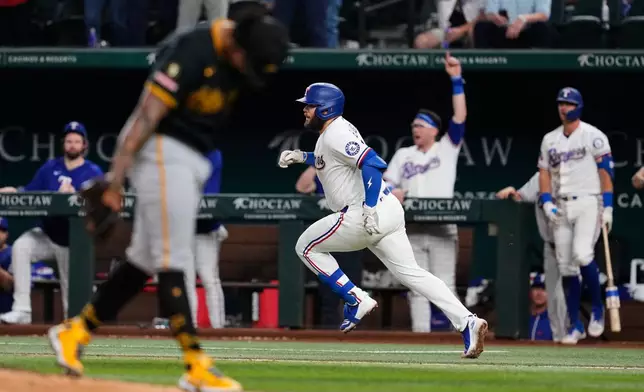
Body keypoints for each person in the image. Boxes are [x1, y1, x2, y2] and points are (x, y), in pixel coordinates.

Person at [46, 13, 289, 392]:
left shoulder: (242, 53)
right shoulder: (192, 51)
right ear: (237, 46)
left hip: (194, 161)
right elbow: (144, 116)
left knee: (143, 260)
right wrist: (116, 179)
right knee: (173, 260)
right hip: (164, 153)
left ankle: (74, 333)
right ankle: (196, 364)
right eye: (249, 61)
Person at [278, 80, 488, 358]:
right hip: (388, 210)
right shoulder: (333, 133)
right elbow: (330, 159)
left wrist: (367, 207)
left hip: (363, 211)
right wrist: (301, 157)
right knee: (413, 274)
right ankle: (467, 321)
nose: (305, 110)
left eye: (310, 106)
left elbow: (373, 163)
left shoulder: (336, 133)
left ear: (326, 110)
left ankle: (355, 297)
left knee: (305, 246)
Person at [383, 53, 465, 333]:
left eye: (419, 126)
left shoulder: (446, 148)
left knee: (446, 283)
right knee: (417, 286)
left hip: (442, 226)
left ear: (433, 129)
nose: (414, 129)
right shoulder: (404, 154)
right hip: (414, 226)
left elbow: (460, 116)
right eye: (413, 126)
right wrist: (393, 190)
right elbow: (387, 184)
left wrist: (456, 80)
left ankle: (464, 333)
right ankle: (421, 338)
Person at [0, 122, 103, 325]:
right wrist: (15, 192)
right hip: (47, 235)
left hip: (72, 242)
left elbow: (99, 206)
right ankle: (22, 310)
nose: (72, 145)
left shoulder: (93, 171)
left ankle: (71, 329)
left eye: (76, 141)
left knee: (70, 302)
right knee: (21, 246)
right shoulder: (50, 167)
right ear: (63, 143)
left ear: (84, 145)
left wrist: (73, 196)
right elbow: (30, 193)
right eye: (69, 141)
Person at [537, 87, 613, 345]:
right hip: (561, 205)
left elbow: (606, 173)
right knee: (566, 267)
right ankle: (575, 325)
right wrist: (547, 202)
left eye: (568, 103)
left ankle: (598, 311)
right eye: (561, 103)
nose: (563, 107)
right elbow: (544, 172)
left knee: (582, 255)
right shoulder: (550, 139)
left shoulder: (594, 136)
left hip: (589, 202)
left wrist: (609, 206)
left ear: (578, 106)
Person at [496, 172, 568, 342]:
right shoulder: (541, 176)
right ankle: (560, 340)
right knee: (552, 293)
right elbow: (520, 198)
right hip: (550, 244)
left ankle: (568, 335)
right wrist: (511, 193)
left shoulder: (579, 170)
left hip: (571, 244)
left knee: (561, 293)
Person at [295, 166, 364, 328]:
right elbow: (301, 187)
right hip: (328, 241)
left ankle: (356, 335)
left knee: (354, 291)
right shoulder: (323, 172)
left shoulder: (355, 171)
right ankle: (331, 335)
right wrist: (317, 163)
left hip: (352, 240)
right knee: (329, 295)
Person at [186, 148, 228, 328]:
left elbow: (209, 193)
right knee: (186, 279)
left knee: (208, 277)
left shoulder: (212, 153)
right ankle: (191, 326)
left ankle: (219, 329)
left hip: (205, 227)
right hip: (183, 227)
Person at [474, 0, 553, 48]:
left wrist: (523, 19)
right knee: (481, 27)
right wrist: (494, 17)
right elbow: (490, 12)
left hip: (529, 31)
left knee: (543, 28)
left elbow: (544, 14)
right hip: (504, 31)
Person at [527, 272, 554, 341]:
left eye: (544, 289)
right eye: (536, 288)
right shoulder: (521, 318)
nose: (539, 293)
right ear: (530, 291)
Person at [0, 218, 13, 314]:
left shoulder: (13, 253)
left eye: (2, 230)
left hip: (6, 313)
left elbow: (9, 286)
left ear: (7, 234)